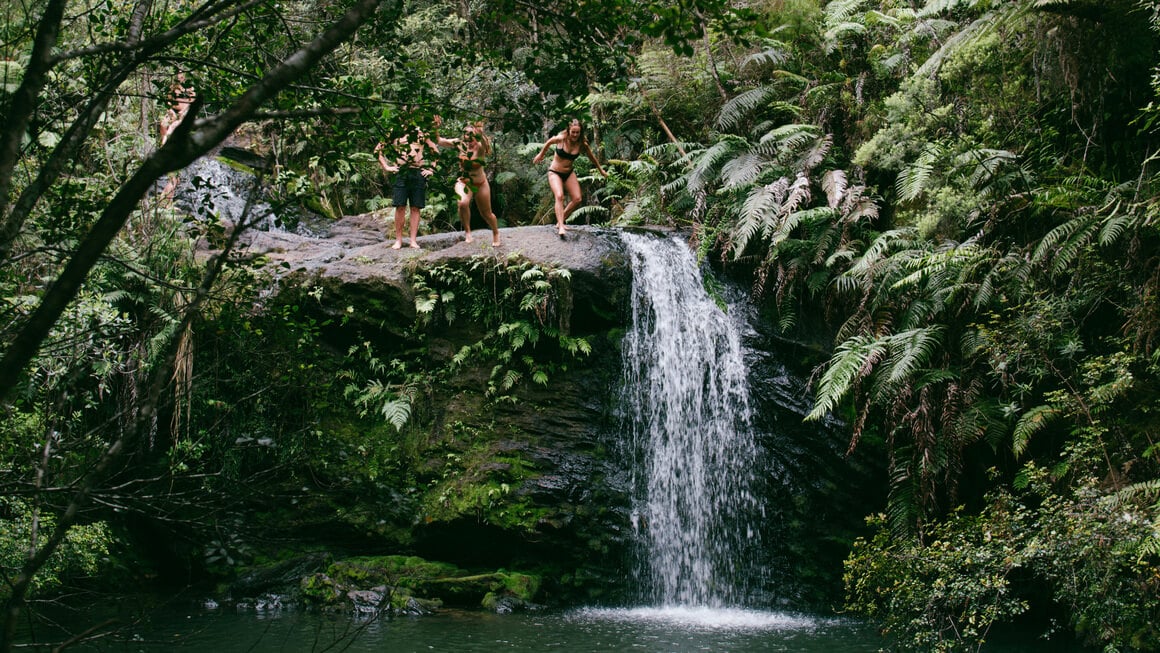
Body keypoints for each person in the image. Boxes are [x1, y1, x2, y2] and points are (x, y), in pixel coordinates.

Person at [532, 118, 607, 236]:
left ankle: (560, 220)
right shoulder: (561, 139)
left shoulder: (582, 144)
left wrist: (601, 170)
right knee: (559, 196)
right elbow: (549, 141)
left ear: (580, 132)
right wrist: (541, 154)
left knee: (577, 199)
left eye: (577, 132)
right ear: (569, 131)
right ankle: (561, 226)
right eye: (573, 132)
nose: (575, 135)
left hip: (568, 173)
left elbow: (592, 157)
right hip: (555, 172)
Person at [376, 121, 444, 249]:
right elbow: (377, 150)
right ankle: (399, 240)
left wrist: (431, 169)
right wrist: (386, 167)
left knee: (415, 207)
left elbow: (435, 151)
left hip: (417, 172)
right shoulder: (394, 131)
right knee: (400, 206)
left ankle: (413, 240)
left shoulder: (421, 132)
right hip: (401, 171)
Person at [454, 122, 501, 246]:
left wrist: (481, 134)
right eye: (466, 136)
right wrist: (435, 129)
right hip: (464, 182)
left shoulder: (480, 148)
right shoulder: (460, 145)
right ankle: (468, 232)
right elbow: (439, 140)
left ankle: (495, 233)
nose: (469, 140)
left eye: (472, 136)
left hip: (480, 183)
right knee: (462, 203)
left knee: (486, 214)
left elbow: (485, 145)